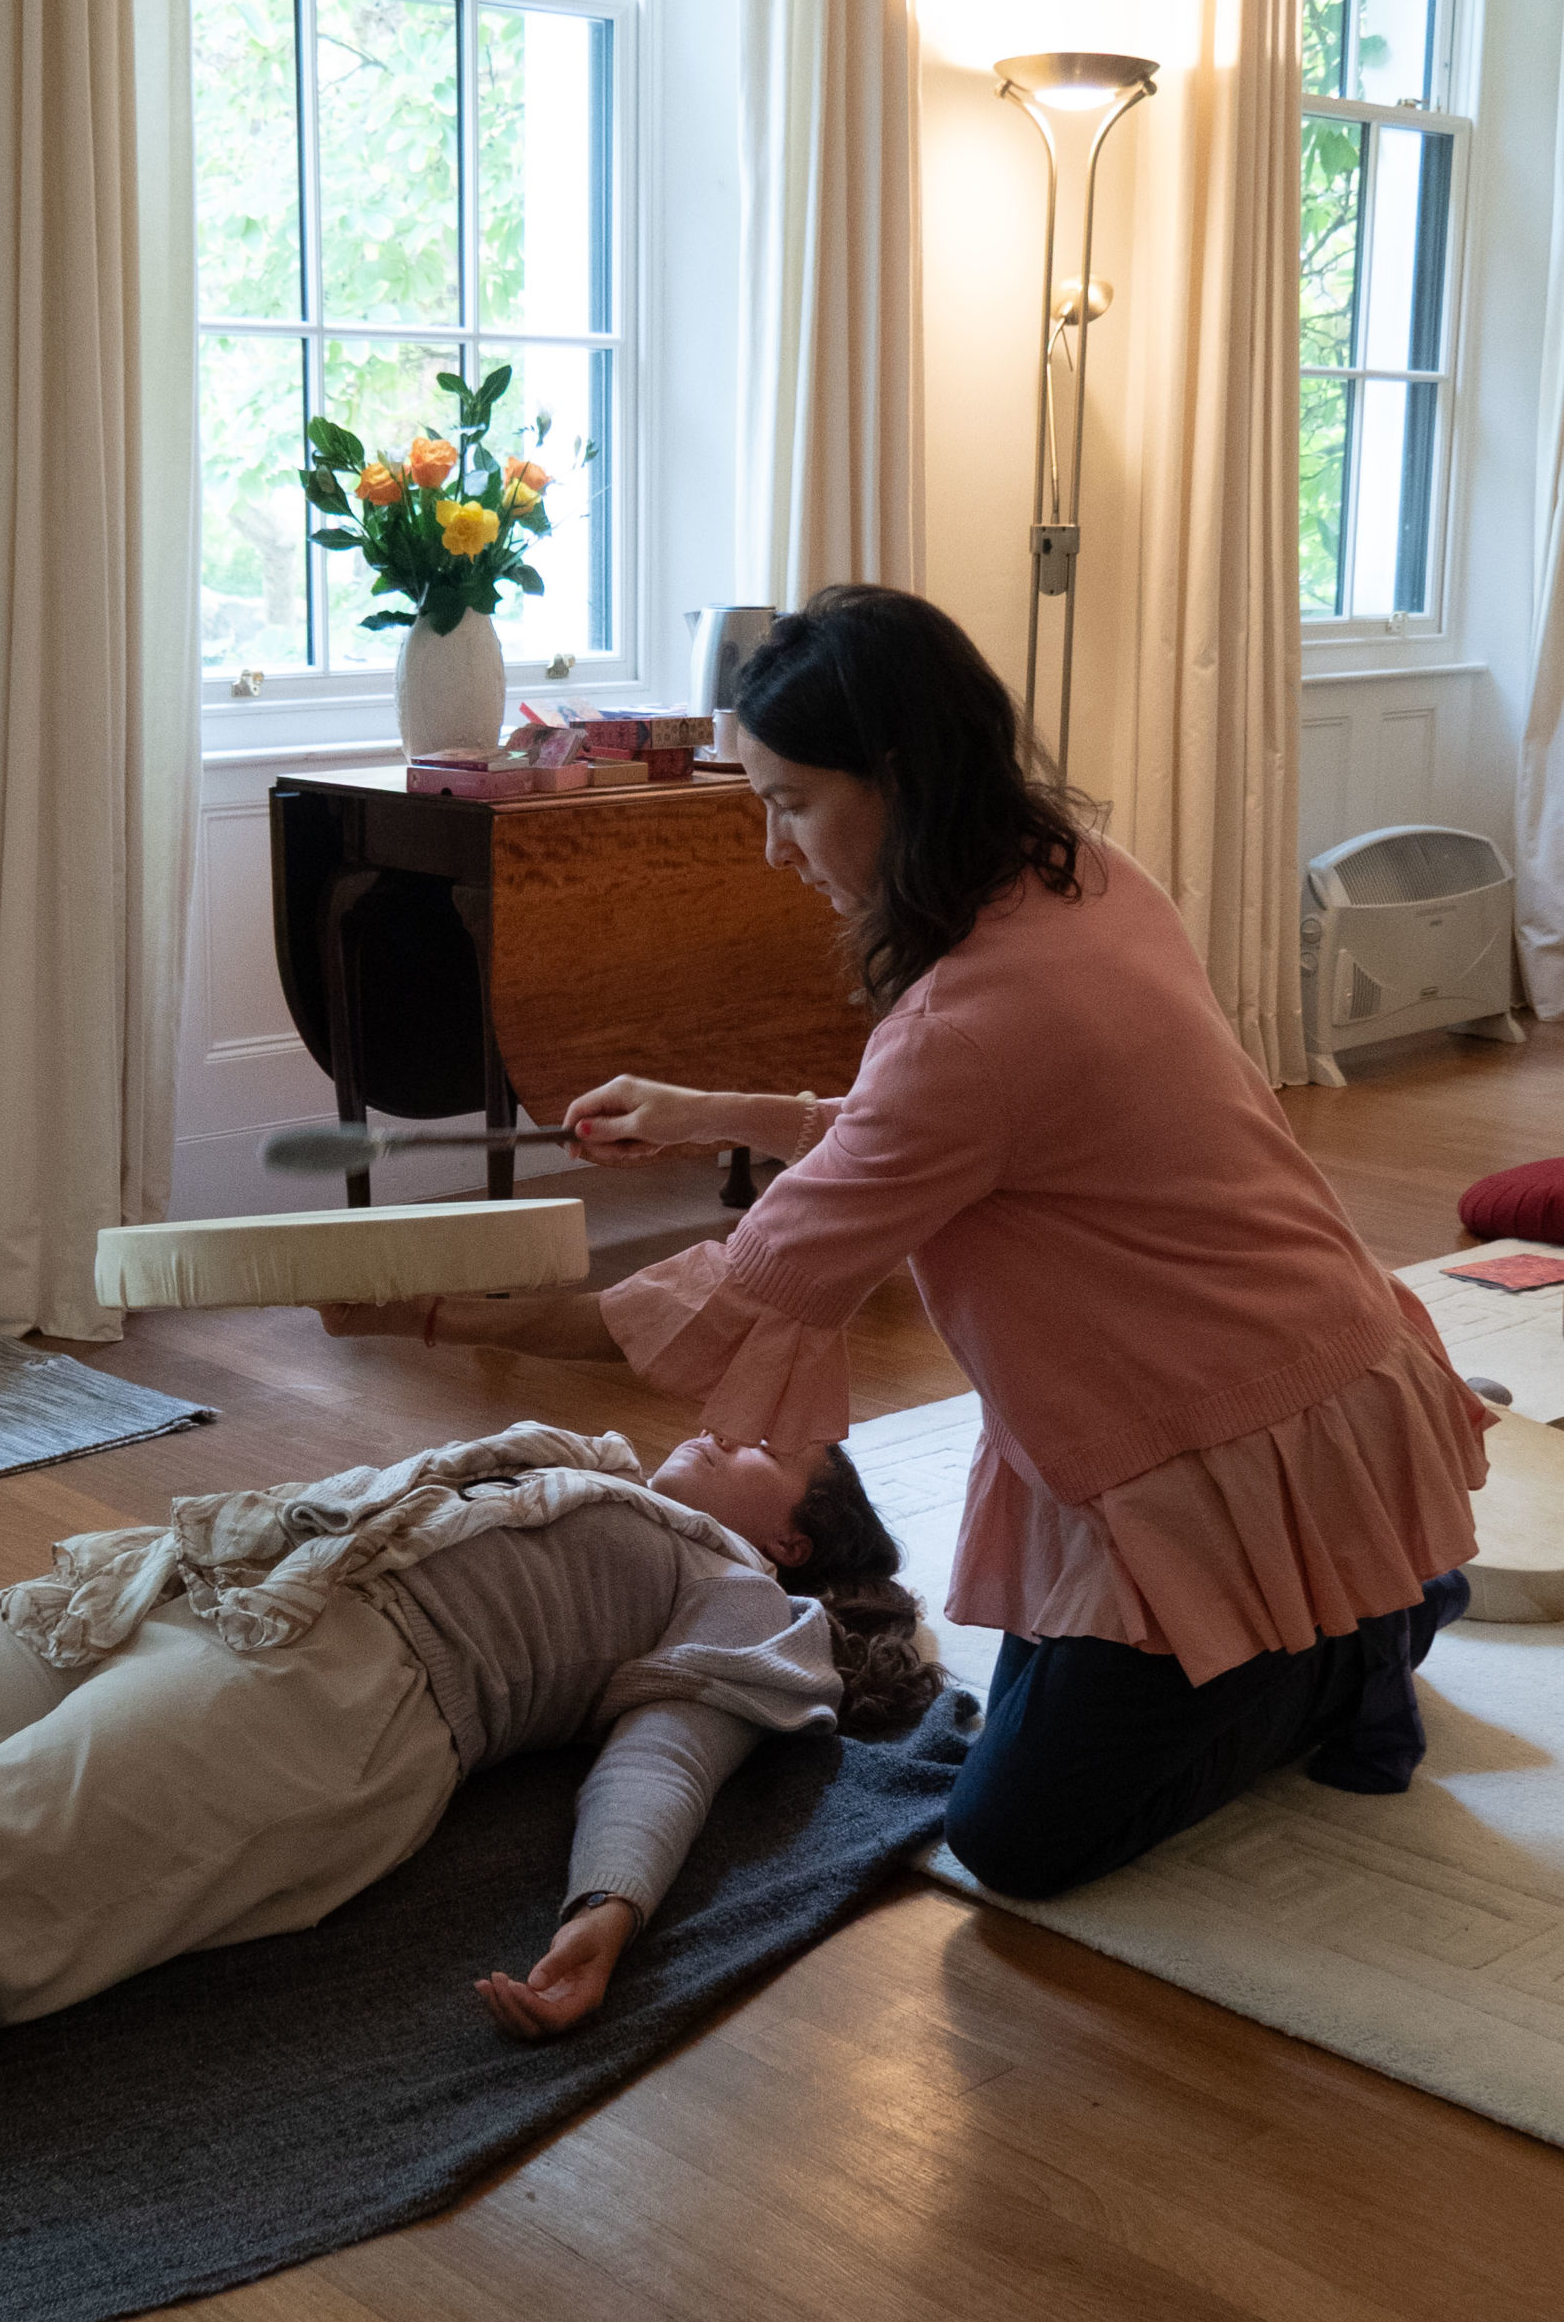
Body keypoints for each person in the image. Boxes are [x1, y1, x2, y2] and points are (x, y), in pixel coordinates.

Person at [325, 584, 1489, 1900]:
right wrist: (714, 1113)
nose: (774, 847)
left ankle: (1355, 1645)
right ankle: (1373, 1598)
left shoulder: (973, 1026)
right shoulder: (1084, 878)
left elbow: (732, 1294)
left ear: (898, 779)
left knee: (1016, 1841)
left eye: (789, 801)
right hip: (1329, 1355)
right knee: (1050, 1734)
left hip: (1233, 1429)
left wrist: (437, 1309)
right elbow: (951, 1132)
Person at [0, 1419, 936, 2223]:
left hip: (344, 1695)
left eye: (777, 1443)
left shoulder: (740, 1588)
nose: (735, 1423)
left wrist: (610, 1906)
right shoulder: (578, 1462)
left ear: (800, 1543)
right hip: (167, 1585)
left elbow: (670, 1749)